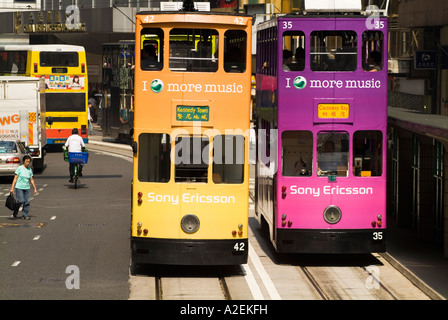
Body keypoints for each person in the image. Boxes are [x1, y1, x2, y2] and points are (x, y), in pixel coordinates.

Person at [10, 155, 38, 220]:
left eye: (29, 162)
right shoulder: (19, 168)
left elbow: (31, 179)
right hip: (19, 187)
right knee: (21, 201)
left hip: (27, 188)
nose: (28, 163)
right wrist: (12, 188)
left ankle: (25, 215)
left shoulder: (29, 169)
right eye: (26, 161)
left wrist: (35, 188)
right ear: (23, 161)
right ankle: (15, 211)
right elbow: (15, 178)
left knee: (27, 201)